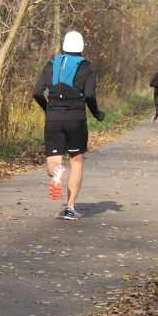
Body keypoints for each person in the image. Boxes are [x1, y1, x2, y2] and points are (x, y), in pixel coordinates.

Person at [32, 30, 105, 220]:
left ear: (64, 45)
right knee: (76, 161)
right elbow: (89, 95)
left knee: (53, 162)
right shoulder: (88, 67)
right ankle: (70, 208)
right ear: (81, 47)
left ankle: (56, 173)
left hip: (53, 118)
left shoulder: (51, 64)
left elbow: (36, 92)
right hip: (76, 119)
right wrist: (97, 113)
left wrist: (48, 109)